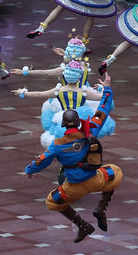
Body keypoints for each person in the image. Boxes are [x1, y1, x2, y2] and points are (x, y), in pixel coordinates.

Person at [23, 74, 121, 244]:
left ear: (63, 124)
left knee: (52, 202)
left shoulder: (56, 144)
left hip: (72, 187)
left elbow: (41, 160)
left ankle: (82, 225)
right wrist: (107, 89)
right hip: (96, 179)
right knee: (115, 171)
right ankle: (101, 207)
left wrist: (29, 171)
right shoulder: (91, 130)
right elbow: (103, 109)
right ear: (78, 122)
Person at [13, 59, 116, 148]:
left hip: (63, 120)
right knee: (82, 140)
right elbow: (102, 98)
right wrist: (104, 88)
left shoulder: (59, 90)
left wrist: (23, 93)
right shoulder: (84, 92)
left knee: (62, 143)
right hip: (80, 120)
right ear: (79, 76)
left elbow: (40, 94)